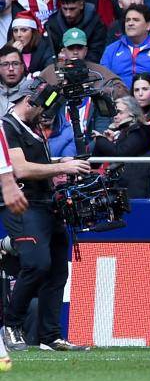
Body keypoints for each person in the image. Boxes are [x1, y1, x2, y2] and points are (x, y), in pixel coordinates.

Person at [0, 79, 92, 353]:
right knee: (36, 264)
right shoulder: (8, 127)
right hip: (23, 205)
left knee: (57, 271)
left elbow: (33, 163)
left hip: (47, 204)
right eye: (42, 109)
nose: (46, 116)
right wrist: (62, 168)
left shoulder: (31, 128)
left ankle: (50, 336)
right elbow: (20, 169)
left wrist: (59, 162)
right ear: (30, 102)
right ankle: (11, 325)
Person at [100, 4, 150, 93]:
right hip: (119, 98)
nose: (130, 23)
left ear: (148, 25)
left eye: (136, 20)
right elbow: (103, 78)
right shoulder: (111, 49)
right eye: (127, 20)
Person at [91, 95, 150, 199]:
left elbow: (120, 154)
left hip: (136, 187)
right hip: (121, 183)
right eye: (114, 112)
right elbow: (94, 164)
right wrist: (107, 142)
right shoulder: (121, 132)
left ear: (132, 113)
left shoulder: (140, 130)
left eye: (120, 112)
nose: (115, 116)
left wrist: (100, 140)